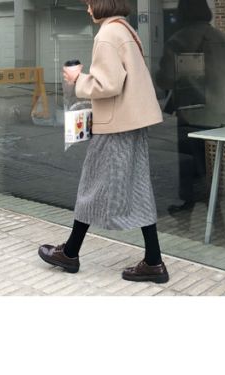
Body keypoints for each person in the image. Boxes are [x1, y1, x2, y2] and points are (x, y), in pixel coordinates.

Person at [38, 0, 169, 284]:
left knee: (92, 184)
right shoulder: (126, 30)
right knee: (137, 188)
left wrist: (77, 78)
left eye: (89, 3)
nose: (87, 9)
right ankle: (153, 261)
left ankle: (70, 253)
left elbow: (107, 84)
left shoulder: (107, 34)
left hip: (115, 125)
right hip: (132, 123)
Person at [155, 0, 225, 214]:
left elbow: (165, 79)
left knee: (189, 161)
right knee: (215, 161)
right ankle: (214, 203)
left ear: (182, 12)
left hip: (195, 113)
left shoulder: (180, 40)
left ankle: (192, 201)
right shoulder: (224, 38)